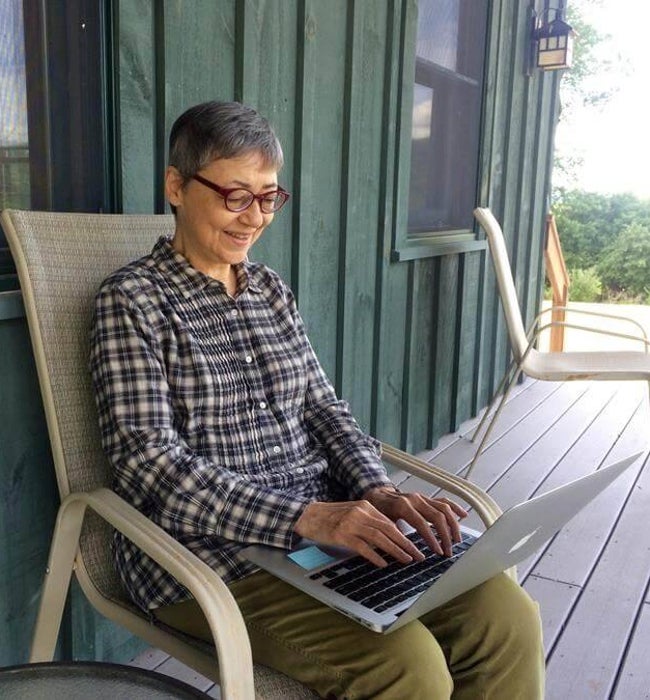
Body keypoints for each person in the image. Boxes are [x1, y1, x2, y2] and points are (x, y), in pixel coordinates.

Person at [90, 100, 544, 699]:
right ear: (176, 186)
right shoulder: (133, 301)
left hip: (329, 538)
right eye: (235, 195)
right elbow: (150, 467)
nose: (254, 218)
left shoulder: (271, 291)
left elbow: (324, 410)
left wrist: (375, 489)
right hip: (214, 559)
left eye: (268, 197)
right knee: (408, 668)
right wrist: (308, 517)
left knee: (507, 618)